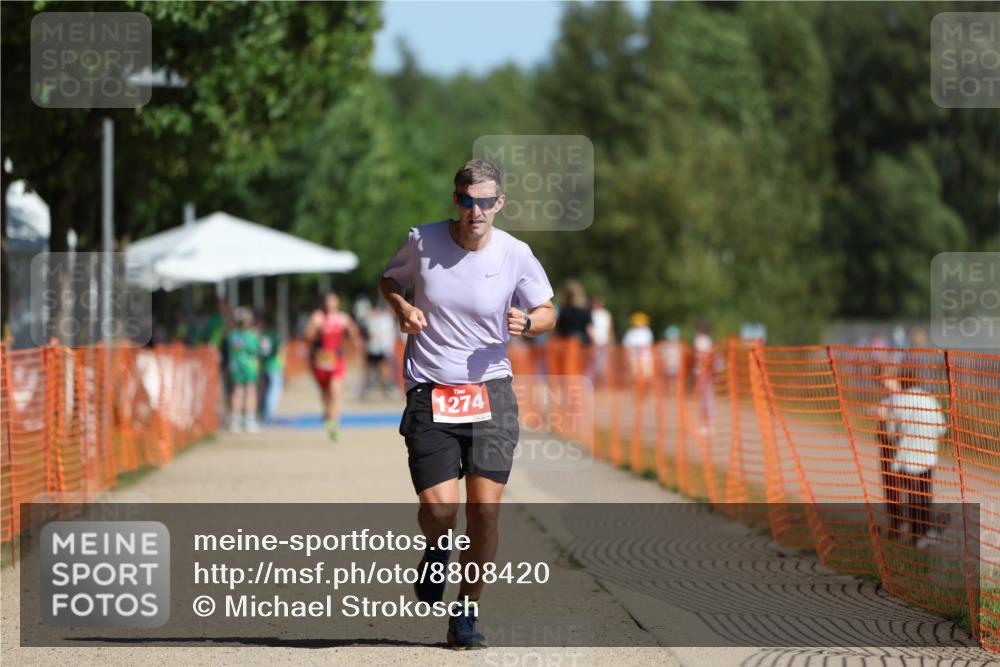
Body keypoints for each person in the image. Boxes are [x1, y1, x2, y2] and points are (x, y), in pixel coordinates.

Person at [380, 158, 555, 649]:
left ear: (499, 204)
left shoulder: (516, 253)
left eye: (485, 202)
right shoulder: (423, 241)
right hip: (431, 390)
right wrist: (403, 307)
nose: (475, 211)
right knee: (440, 512)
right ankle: (436, 549)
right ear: (455, 200)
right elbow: (389, 281)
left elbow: (547, 311)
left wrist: (530, 323)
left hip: (491, 391)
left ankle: (465, 614)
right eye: (466, 200)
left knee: (485, 513)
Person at [881, 364, 948, 548]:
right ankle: (924, 533)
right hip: (927, 458)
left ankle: (915, 533)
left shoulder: (899, 402)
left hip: (907, 459)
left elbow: (891, 434)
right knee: (925, 496)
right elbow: (942, 428)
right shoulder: (929, 399)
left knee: (912, 497)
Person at [304, 292, 363, 441]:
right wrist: (317, 332)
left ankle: (335, 422)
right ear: (323, 303)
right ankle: (327, 413)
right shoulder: (317, 317)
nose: (330, 304)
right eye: (328, 302)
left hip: (337, 359)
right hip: (321, 360)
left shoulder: (343, 318)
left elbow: (354, 332)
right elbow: (307, 336)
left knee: (335, 390)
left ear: (337, 303)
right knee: (325, 392)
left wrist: (357, 344)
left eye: (333, 302)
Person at [227, 307, 261, 433]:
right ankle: (248, 419)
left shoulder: (233, 336)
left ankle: (237, 420)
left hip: (236, 368)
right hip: (248, 368)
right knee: (249, 393)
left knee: (238, 393)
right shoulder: (252, 336)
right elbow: (255, 351)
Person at [257, 312, 285, 424]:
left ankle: (264, 412)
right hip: (274, 365)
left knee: (265, 390)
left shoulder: (261, 335)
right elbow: (278, 349)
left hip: (264, 365)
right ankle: (270, 414)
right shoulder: (272, 335)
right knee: (274, 390)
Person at [622, 311, 654, 382]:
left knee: (646, 376)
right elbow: (627, 346)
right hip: (634, 358)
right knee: (635, 375)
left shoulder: (647, 331)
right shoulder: (630, 332)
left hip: (645, 358)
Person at [589, 295, 614, 386]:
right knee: (593, 364)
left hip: (604, 342)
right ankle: (593, 383)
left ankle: (603, 383)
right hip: (594, 342)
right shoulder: (591, 314)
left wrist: (610, 341)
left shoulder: (606, 314)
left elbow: (610, 329)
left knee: (603, 364)